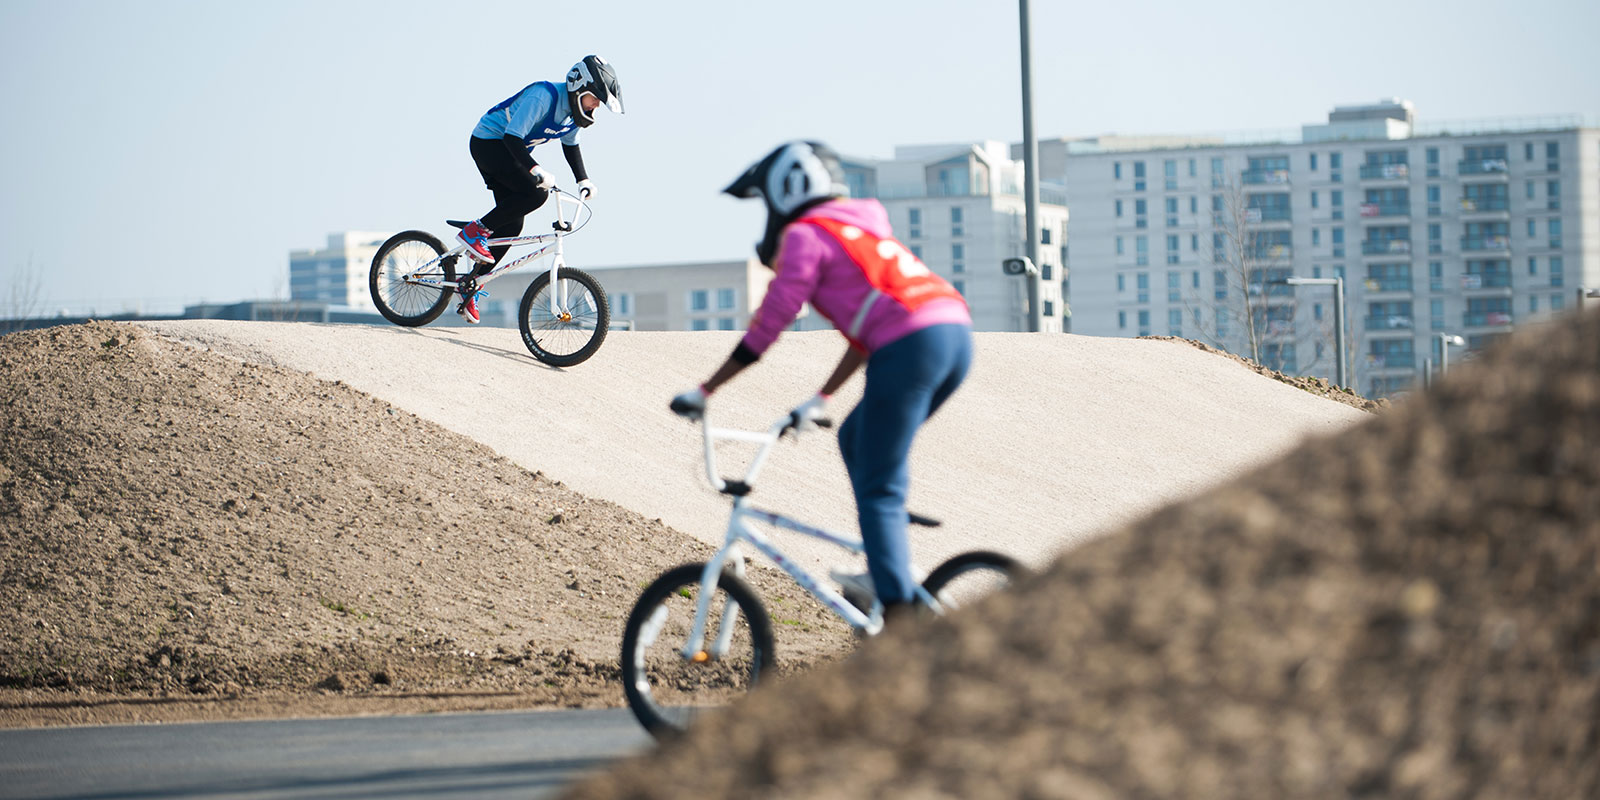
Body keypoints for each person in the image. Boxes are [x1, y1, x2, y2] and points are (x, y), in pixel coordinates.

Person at [671, 141, 974, 623]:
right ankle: (887, 557)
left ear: (783, 192)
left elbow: (770, 324)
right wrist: (822, 397)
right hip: (952, 333)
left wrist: (706, 390)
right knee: (856, 439)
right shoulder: (859, 229)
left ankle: (899, 619)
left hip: (912, 346)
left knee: (879, 485)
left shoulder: (806, 237)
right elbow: (871, 332)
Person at [454, 55, 624, 324]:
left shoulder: (571, 117)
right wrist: (535, 169)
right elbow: (512, 136)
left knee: (511, 227)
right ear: (579, 89)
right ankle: (477, 230)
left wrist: (583, 180)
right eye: (595, 99)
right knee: (536, 194)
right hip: (490, 144)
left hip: (511, 153)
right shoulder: (543, 96)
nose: (596, 106)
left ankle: (471, 285)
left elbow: (571, 146)